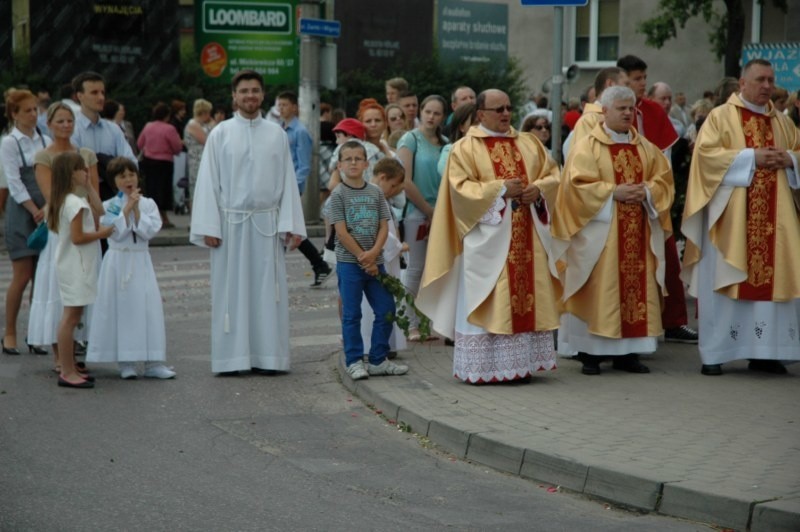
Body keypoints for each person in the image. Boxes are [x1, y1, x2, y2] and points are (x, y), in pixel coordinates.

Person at [416, 89, 561, 384]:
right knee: (490, 298)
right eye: (499, 109)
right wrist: (499, 191)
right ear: (480, 114)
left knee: (525, 298)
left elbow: (553, 174)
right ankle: (485, 369)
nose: (506, 114)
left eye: (509, 108)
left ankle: (521, 366)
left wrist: (539, 190)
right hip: (488, 242)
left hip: (527, 238)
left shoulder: (529, 143)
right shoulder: (465, 148)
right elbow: (459, 191)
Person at [681, 59, 800, 376]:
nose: (766, 86)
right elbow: (705, 159)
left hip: (777, 224)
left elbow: (798, 150)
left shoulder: (784, 123)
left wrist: (790, 159)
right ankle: (717, 353)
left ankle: (766, 353)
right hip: (730, 223)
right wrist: (751, 157)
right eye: (760, 79)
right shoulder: (720, 118)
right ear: (742, 84)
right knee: (725, 281)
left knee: (771, 287)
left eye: (771, 80)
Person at [551, 86, 674, 376]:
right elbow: (575, 188)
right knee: (598, 288)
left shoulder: (645, 148)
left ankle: (628, 353)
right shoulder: (587, 147)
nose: (627, 113)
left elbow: (664, 182)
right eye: (621, 108)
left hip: (637, 233)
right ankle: (590, 353)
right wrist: (612, 193)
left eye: (631, 109)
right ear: (604, 111)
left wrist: (646, 192)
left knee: (635, 289)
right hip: (600, 236)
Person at [190, 69, 306, 376]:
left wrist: (290, 224)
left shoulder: (276, 134)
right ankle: (232, 359)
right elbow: (208, 183)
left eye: (255, 90)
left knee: (269, 292)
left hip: (267, 225)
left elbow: (287, 182)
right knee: (231, 292)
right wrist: (209, 227)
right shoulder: (220, 134)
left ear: (263, 95)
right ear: (234, 96)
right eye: (244, 91)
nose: (250, 96)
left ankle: (269, 357)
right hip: (231, 225)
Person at [617, 54, 698, 344]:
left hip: (650, 197)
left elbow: (663, 158)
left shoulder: (651, 111)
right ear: (620, 80)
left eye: (643, 79)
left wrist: (653, 190)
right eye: (635, 79)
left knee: (667, 262)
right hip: (617, 202)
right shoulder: (608, 111)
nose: (641, 84)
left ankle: (674, 322)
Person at [86, 157, 175, 380]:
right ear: (114, 181)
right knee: (123, 309)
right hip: (118, 261)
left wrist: (136, 211)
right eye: (122, 176)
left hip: (140, 259)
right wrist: (126, 209)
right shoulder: (110, 205)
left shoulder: (149, 203)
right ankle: (126, 362)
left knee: (147, 308)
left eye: (131, 174)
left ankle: (153, 361)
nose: (128, 179)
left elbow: (149, 231)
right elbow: (112, 231)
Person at [28, 102, 100, 369]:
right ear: (49, 124)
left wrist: (98, 222)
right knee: (60, 290)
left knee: (84, 289)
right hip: (63, 227)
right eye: (60, 121)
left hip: (87, 224)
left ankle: (75, 351)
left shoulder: (86, 154)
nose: (66, 125)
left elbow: (94, 192)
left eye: (70, 121)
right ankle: (60, 356)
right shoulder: (44, 157)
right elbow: (52, 197)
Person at [328, 140, 407, 380]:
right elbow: (341, 231)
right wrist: (364, 257)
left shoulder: (375, 193)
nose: (353, 162)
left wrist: (374, 254)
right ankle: (354, 361)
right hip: (350, 265)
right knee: (352, 314)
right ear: (340, 164)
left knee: (386, 309)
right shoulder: (338, 194)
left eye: (357, 158)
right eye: (348, 159)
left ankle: (377, 359)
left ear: (365, 163)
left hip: (376, 264)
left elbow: (384, 227)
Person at [48, 152, 113, 388]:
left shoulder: (72, 199)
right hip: (76, 266)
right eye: (81, 169)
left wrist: (89, 186)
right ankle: (66, 370)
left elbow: (100, 210)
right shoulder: (74, 203)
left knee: (73, 316)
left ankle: (69, 366)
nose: (86, 172)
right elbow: (78, 237)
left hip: (75, 265)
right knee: (71, 317)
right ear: (70, 173)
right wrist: (102, 234)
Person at [1, 89, 51, 355]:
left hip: (44, 208)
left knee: (42, 276)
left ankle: (36, 332)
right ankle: (9, 332)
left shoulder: (44, 137)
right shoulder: (10, 142)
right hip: (22, 213)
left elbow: (50, 173)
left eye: (35, 109)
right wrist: (34, 209)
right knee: (22, 275)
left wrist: (47, 205)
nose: (34, 115)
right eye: (28, 111)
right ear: (14, 114)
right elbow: (14, 182)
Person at [396, 95, 447, 341]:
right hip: (417, 212)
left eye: (436, 113)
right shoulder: (410, 139)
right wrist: (428, 210)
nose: (431, 117)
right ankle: (409, 323)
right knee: (415, 269)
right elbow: (404, 180)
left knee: (434, 271)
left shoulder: (445, 143)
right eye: (427, 111)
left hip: (443, 212)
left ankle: (425, 322)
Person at [277, 90, 332, 287]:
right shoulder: (279, 128)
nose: (281, 108)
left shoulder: (300, 131)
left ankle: (317, 265)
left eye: (284, 104)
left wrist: (294, 188)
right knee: (288, 228)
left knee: (285, 228)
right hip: (278, 186)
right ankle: (319, 265)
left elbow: (304, 165)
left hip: (290, 188)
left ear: (294, 107)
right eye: (279, 105)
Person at [360, 158, 407, 357]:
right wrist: (398, 245)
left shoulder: (378, 194)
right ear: (382, 177)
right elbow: (374, 228)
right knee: (378, 302)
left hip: (387, 256)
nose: (394, 190)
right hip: (380, 256)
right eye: (393, 185)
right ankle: (376, 345)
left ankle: (386, 344)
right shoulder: (372, 195)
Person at [70, 71, 137, 201]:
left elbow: (131, 161)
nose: (101, 97)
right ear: (80, 96)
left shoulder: (114, 129)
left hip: (114, 193)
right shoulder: (72, 130)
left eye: (102, 92)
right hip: (83, 195)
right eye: (94, 93)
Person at [137, 102, 183, 228]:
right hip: (165, 162)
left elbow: (140, 143)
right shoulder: (169, 129)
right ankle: (163, 217)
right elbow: (177, 147)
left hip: (149, 161)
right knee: (164, 189)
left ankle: (153, 215)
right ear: (167, 115)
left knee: (151, 188)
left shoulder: (148, 126)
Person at [184, 98, 216, 211]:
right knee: (197, 190)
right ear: (204, 112)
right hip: (197, 161)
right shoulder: (193, 124)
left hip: (203, 160)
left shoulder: (200, 124)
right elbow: (206, 140)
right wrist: (213, 125)